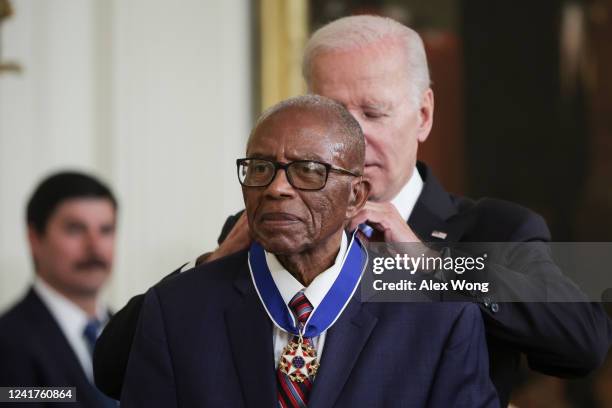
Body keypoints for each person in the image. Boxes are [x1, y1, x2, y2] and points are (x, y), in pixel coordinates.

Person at [95, 15, 612, 407]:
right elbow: (116, 368)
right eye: (335, 114)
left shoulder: (496, 227)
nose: (352, 139)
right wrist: (213, 262)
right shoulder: (266, 225)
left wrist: (430, 263)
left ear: (424, 114)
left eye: (373, 112)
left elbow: (583, 345)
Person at [120, 95, 498, 407]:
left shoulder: (440, 320)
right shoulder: (176, 309)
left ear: (356, 196)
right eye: (259, 168)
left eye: (308, 170)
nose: (277, 188)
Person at [0, 171, 118, 407]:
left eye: (105, 230)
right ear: (35, 238)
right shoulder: (7, 342)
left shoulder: (134, 333)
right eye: (75, 229)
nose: (94, 246)